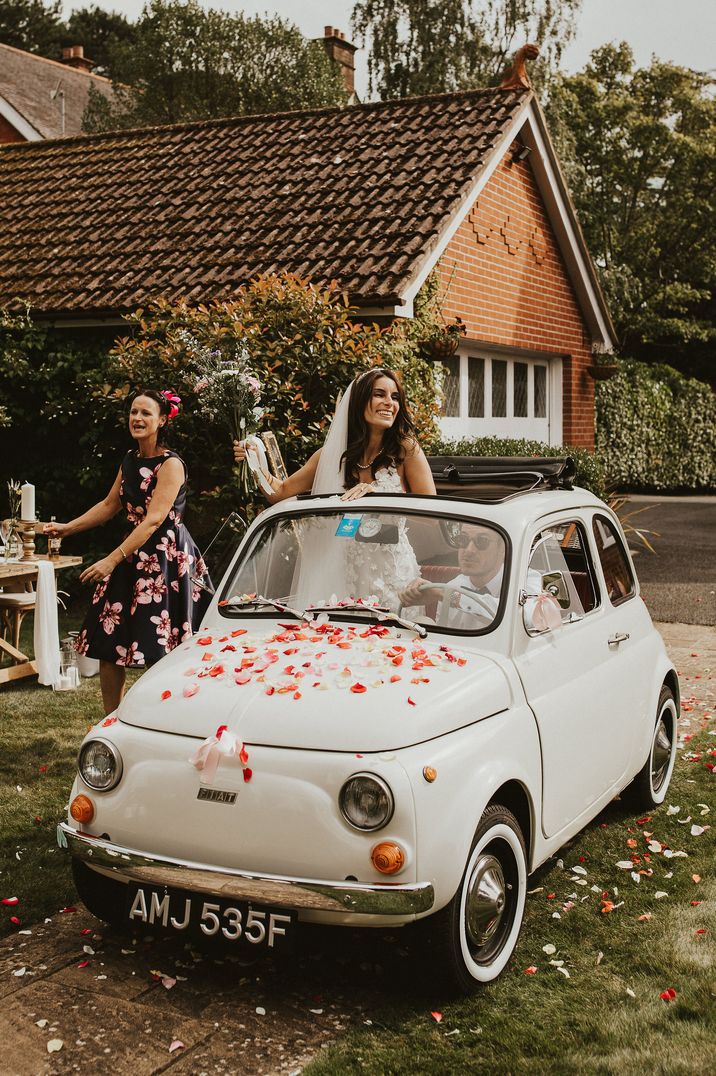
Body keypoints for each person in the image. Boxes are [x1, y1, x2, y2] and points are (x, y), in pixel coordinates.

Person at [44, 390, 211, 715]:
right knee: (108, 641)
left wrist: (111, 559)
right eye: (134, 412)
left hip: (165, 560)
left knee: (160, 648)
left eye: (146, 413)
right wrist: (67, 528)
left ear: (162, 420)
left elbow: (152, 522)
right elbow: (109, 505)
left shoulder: (171, 464)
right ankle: (112, 722)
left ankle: (162, 721)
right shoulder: (130, 460)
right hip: (131, 554)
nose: (137, 418)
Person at [234, 368, 436, 609]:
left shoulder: (406, 451)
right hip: (344, 576)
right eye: (379, 394)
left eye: (395, 397)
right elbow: (279, 493)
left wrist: (379, 497)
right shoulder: (330, 456)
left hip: (394, 578)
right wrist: (254, 461)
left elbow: (431, 515)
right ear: (360, 400)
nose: (389, 403)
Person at [401, 522, 506, 625]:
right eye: (463, 540)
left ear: (503, 549)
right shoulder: (453, 586)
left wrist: (445, 594)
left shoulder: (516, 586)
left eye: (482, 541)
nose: (469, 550)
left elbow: (506, 614)